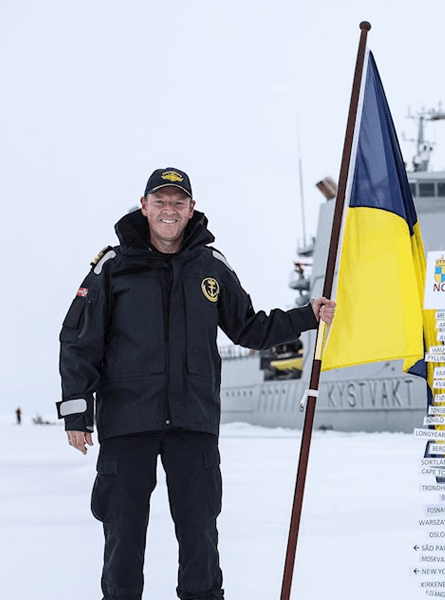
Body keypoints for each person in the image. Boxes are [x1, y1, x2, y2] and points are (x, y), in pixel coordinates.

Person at [57, 167, 336, 600]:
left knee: (200, 535)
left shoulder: (211, 266)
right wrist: (77, 410)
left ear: (191, 210)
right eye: (161, 201)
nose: (169, 210)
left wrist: (306, 315)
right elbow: (79, 341)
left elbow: (248, 328)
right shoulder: (113, 267)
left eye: (178, 203)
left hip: (194, 422)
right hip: (128, 422)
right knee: (123, 537)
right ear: (145, 206)